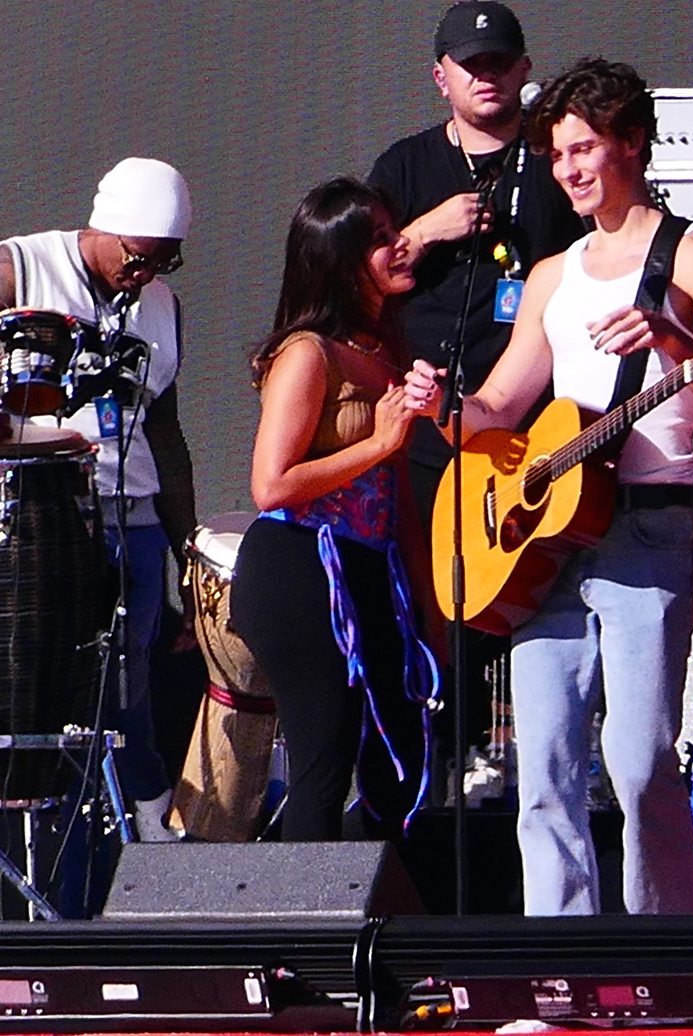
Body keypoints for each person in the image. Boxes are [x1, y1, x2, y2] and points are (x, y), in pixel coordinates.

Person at [404, 58, 693, 915]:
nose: (567, 170)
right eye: (559, 155)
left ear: (631, 143)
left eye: (582, 149)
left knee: (639, 766)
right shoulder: (555, 273)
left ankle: (663, 967)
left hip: (646, 529)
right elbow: (500, 404)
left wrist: (673, 335)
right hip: (541, 543)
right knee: (544, 772)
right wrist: (444, 407)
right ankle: (556, 973)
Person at [368, 0, 583, 773]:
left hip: (527, 425)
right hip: (426, 424)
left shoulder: (556, 162)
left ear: (525, 70)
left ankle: (527, 761)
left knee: (523, 597)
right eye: (471, 65)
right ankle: (429, 763)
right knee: (431, 605)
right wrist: (425, 230)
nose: (486, 77)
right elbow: (356, 274)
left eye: (501, 63)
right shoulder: (406, 166)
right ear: (441, 77)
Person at [229, 178, 439, 842]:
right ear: (342, 262)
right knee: (324, 757)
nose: (401, 244)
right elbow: (273, 484)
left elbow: (398, 491)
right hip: (300, 565)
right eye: (379, 240)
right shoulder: (307, 354)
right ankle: (298, 942)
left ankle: (384, 930)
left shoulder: (385, 354)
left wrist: (429, 610)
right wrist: (377, 441)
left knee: (396, 761)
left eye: (394, 229)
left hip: (371, 568)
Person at [0, 157, 197, 842]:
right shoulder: (20, 268)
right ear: (105, 228)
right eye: (140, 259)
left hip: (130, 512)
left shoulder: (161, 306)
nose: (146, 277)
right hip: (36, 510)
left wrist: (188, 549)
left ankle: (139, 807)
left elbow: (165, 433)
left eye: (164, 264)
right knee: (33, 671)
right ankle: (37, 824)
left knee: (127, 677)